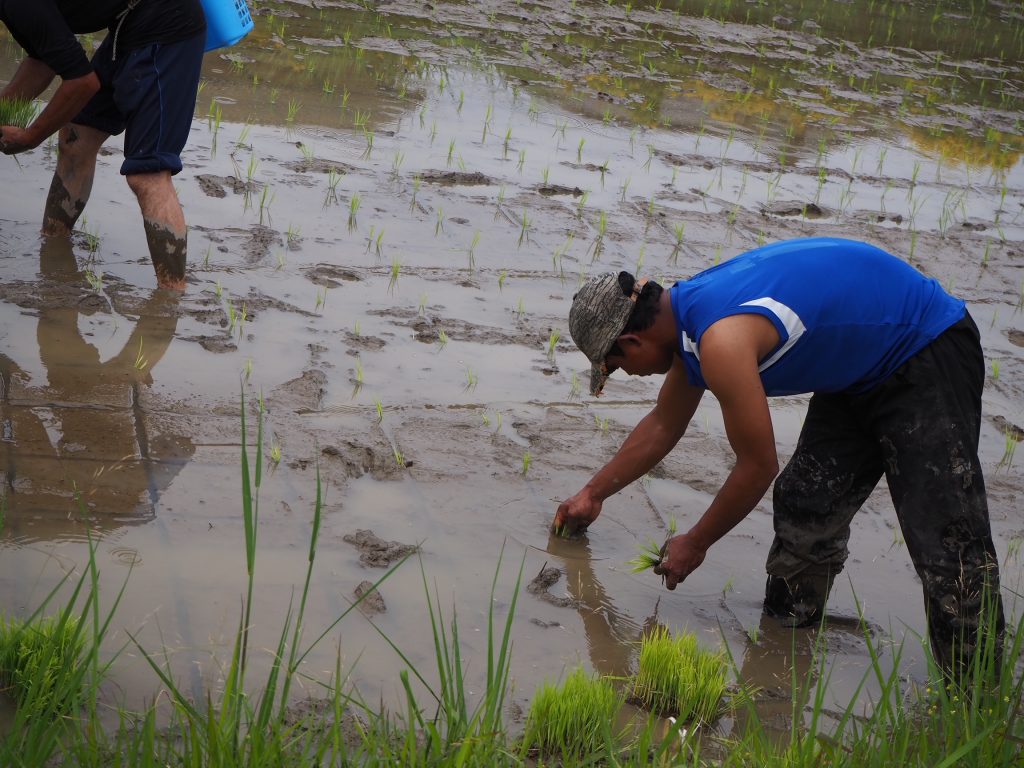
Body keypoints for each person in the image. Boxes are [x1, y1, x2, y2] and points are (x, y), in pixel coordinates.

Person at [553, 236, 1004, 680]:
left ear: (631, 341)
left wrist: (696, 542)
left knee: (947, 540)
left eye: (612, 367)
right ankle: (784, 651)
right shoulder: (688, 317)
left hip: (923, 344)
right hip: (859, 367)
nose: (623, 374)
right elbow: (663, 425)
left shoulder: (719, 339)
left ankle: (976, 698)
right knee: (806, 501)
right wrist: (592, 494)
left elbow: (757, 465)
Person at [0, 0, 206, 291]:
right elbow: (42, 60)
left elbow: (82, 83)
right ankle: (53, 246)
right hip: (128, 24)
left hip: (167, 22)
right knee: (76, 139)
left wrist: (30, 137)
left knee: (148, 175)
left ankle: (171, 298)